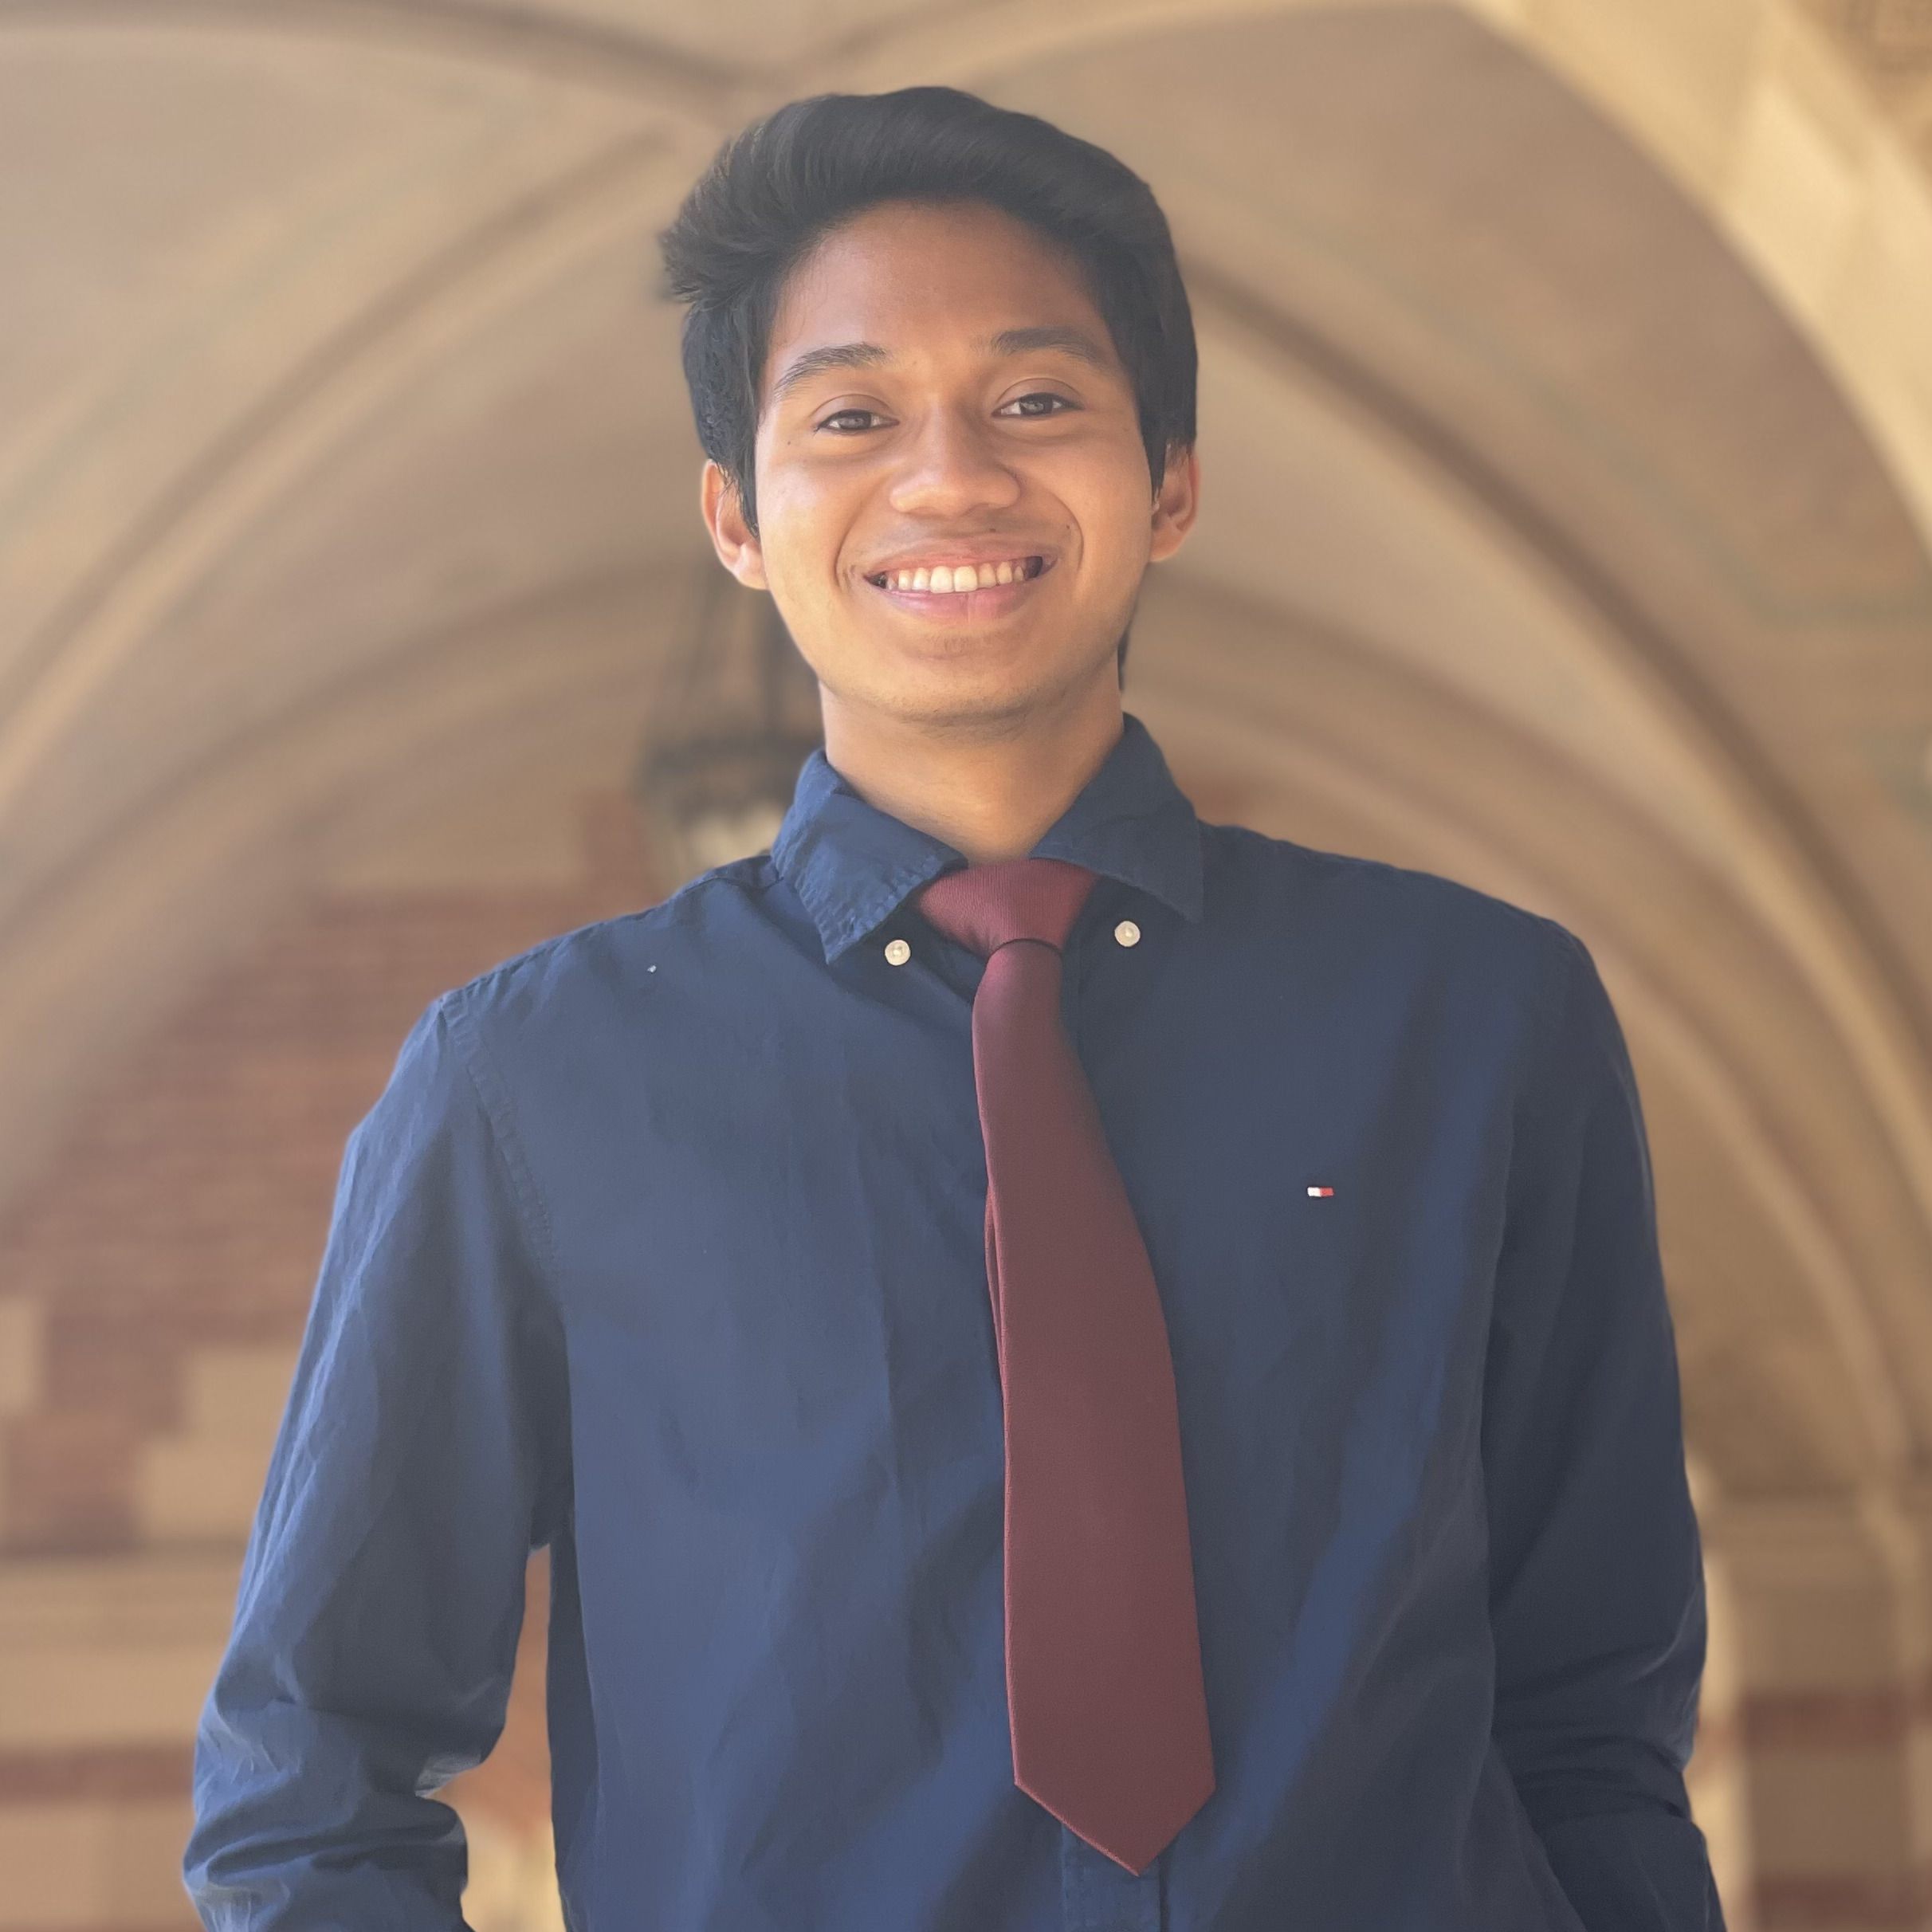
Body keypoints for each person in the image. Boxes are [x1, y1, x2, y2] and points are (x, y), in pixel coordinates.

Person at [183, 84, 1726, 1930]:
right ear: (737, 517)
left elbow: (1595, 1735)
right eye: (849, 415)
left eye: (1036, 400)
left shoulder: (1481, 1026)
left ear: (1171, 478)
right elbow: (309, 1785)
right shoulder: (528, 1089)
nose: (950, 478)